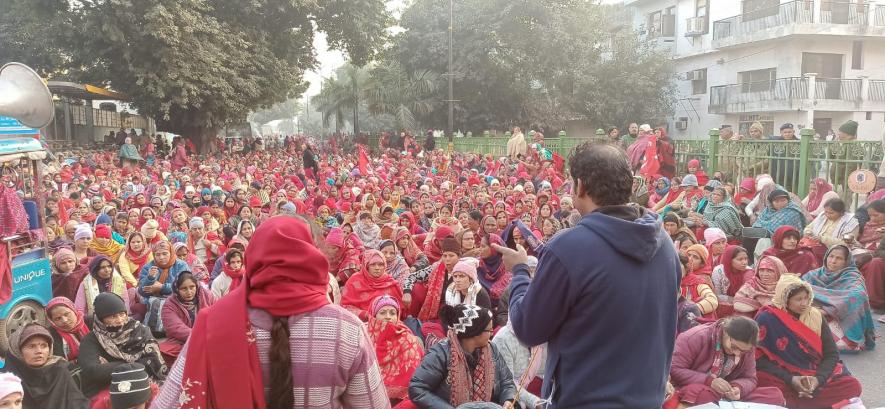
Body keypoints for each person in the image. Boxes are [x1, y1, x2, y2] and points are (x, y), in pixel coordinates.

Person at [496, 142, 680, 408]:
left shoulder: (569, 247)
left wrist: (520, 271)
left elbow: (528, 329)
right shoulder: (663, 243)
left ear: (580, 186)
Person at [152, 216, 389, 408]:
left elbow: (169, 403)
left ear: (254, 257)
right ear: (314, 257)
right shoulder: (346, 329)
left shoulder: (213, 324)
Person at [755, 274, 863, 409]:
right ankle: (804, 402)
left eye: (807, 298)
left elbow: (831, 354)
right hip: (784, 377)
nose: (804, 303)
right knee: (761, 378)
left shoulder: (815, 316)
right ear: (785, 299)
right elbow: (758, 359)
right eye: (798, 299)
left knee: (853, 386)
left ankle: (793, 402)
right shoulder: (767, 318)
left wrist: (818, 380)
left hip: (814, 375)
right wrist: (791, 379)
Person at [409, 304, 516, 408]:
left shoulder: (492, 349)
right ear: (474, 333)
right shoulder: (440, 354)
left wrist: (508, 399)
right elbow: (417, 388)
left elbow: (507, 382)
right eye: (489, 330)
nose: (492, 334)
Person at [668, 317, 785, 406]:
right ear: (725, 332)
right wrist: (709, 381)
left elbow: (750, 378)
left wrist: (738, 388)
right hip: (699, 388)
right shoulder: (695, 337)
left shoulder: (747, 349)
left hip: (727, 397)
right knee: (703, 395)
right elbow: (674, 369)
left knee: (775, 396)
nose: (737, 353)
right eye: (734, 347)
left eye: (743, 351)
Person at [77, 293, 166, 405]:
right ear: (101, 318)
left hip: (143, 379)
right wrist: (133, 364)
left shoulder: (141, 330)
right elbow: (93, 371)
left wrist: (112, 365)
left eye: (122, 314)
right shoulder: (92, 339)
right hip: (108, 385)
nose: (119, 320)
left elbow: (153, 362)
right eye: (113, 316)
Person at [802, 245, 876, 352]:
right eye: (831, 256)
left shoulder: (853, 276)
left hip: (839, 319)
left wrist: (827, 310)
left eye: (839, 258)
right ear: (826, 257)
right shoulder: (814, 275)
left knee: (855, 298)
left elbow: (858, 295)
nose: (833, 261)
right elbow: (799, 289)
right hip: (814, 314)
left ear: (847, 261)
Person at [4, 323, 90, 409]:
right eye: (31, 346)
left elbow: (76, 403)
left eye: (44, 346)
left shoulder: (59, 371)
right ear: (18, 350)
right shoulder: (6, 379)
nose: (39, 351)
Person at [366, 295, 424, 404]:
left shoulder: (407, 339)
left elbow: (414, 380)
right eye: (382, 313)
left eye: (393, 313)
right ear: (373, 315)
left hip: (400, 400)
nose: (388, 317)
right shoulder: (364, 335)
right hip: (365, 396)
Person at [137, 241, 189, 333]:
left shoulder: (181, 265)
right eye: (158, 255)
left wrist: (162, 287)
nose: (161, 257)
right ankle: (156, 329)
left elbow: (185, 287)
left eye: (165, 254)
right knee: (154, 302)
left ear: (171, 252)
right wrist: (150, 278)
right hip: (153, 302)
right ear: (154, 255)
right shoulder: (148, 267)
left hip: (176, 299)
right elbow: (142, 291)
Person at [340, 249, 404, 320]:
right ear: (366, 266)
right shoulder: (354, 281)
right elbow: (345, 307)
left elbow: (400, 309)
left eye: (380, 264)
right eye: (373, 264)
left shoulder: (390, 283)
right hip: (360, 323)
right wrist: (365, 314)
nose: (377, 268)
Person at [74, 256, 130, 320]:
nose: (107, 270)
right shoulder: (86, 284)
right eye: (102, 267)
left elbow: (125, 303)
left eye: (109, 266)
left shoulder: (119, 281)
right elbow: (79, 308)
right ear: (95, 269)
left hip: (118, 318)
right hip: (94, 319)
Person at [45, 297, 91, 364]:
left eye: (67, 314)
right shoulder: (52, 335)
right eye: (58, 318)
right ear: (52, 321)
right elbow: (59, 363)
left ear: (73, 310)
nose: (64, 320)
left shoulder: (90, 322)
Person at [711, 245, 753, 316]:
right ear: (729, 260)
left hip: (743, 307)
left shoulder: (749, 272)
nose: (744, 262)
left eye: (746, 259)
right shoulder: (719, 271)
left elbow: (750, 296)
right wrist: (734, 300)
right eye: (740, 259)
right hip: (722, 307)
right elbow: (717, 295)